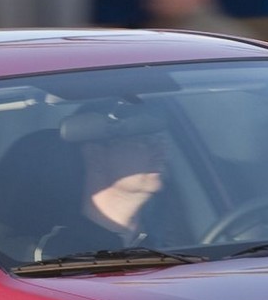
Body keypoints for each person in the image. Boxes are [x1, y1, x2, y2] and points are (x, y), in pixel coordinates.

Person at [32, 105, 178, 261]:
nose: (162, 151)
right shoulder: (57, 256)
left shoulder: (177, 244)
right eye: (145, 140)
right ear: (95, 156)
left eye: (162, 140)